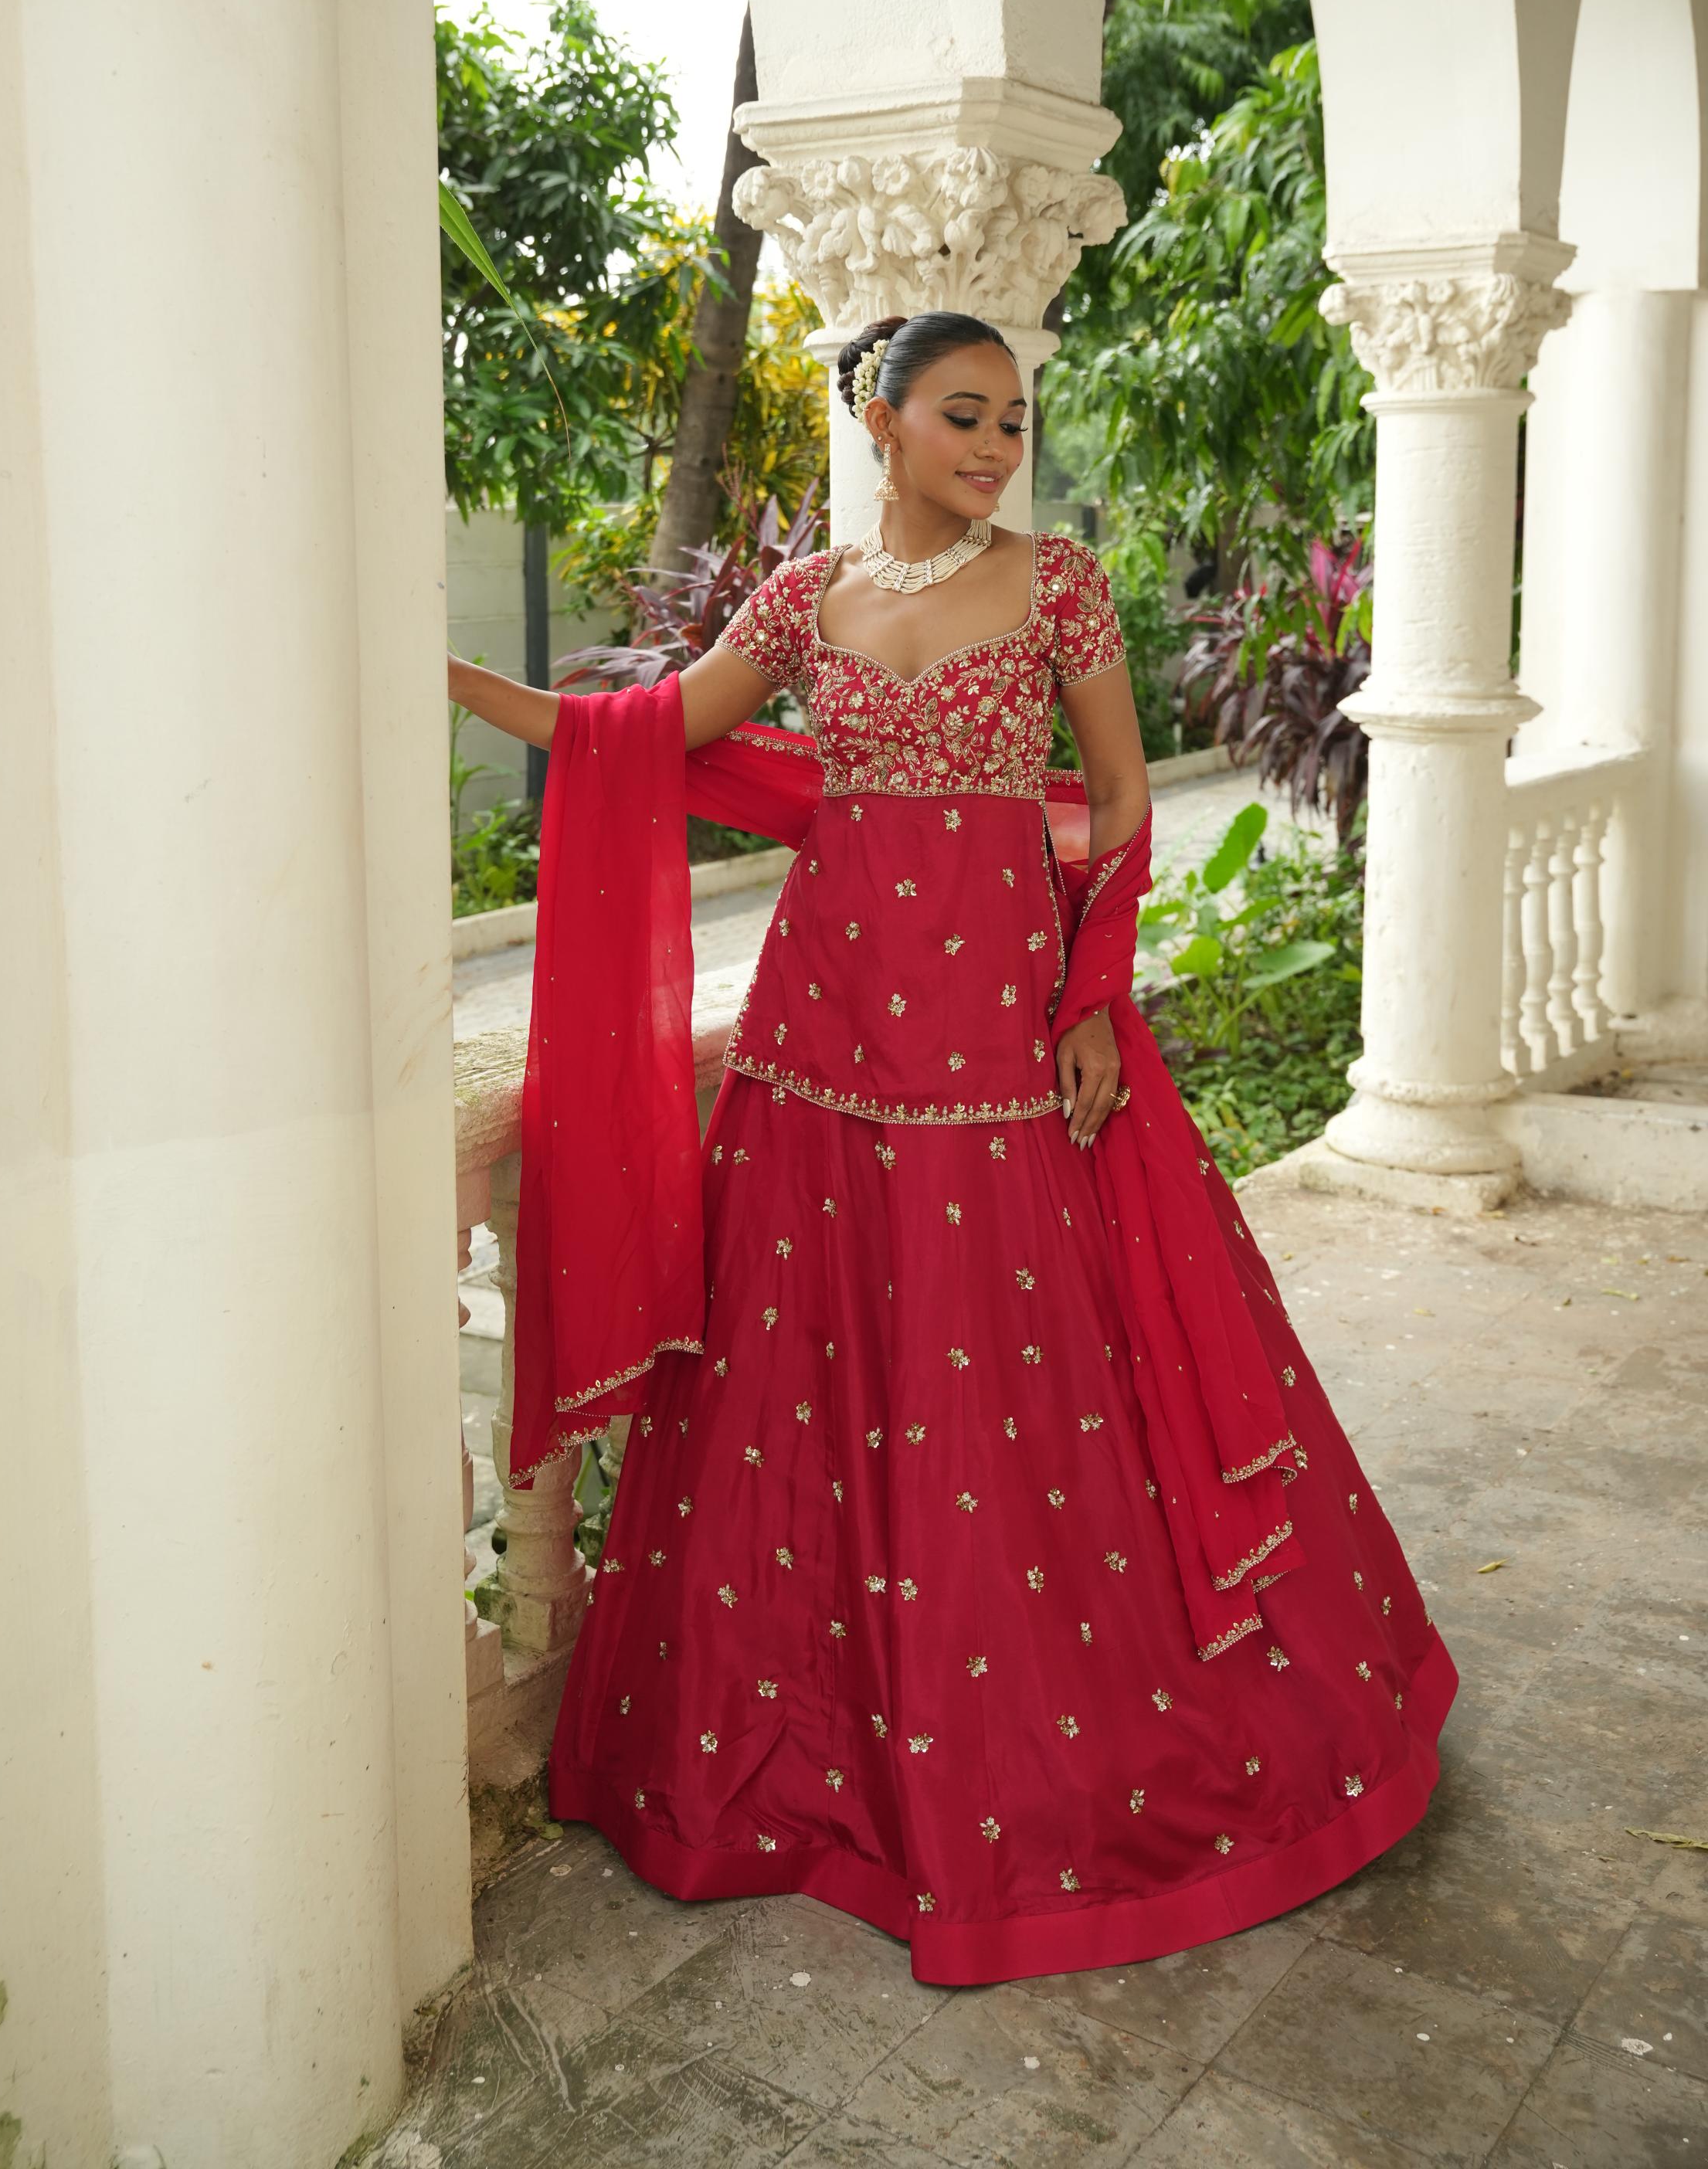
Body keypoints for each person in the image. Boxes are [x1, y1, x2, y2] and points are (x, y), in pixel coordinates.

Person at [449, 307, 1455, 1987]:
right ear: (884, 419)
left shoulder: (1057, 586)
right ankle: (811, 1765)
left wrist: (1092, 994)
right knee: (809, 1373)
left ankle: (1029, 1761)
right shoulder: (807, 599)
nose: (995, 447)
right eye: (964, 416)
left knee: (1017, 1376)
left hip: (997, 1031)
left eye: (1011, 421)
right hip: (823, 1039)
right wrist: (461, 685)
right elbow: (650, 734)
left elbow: (1119, 801)